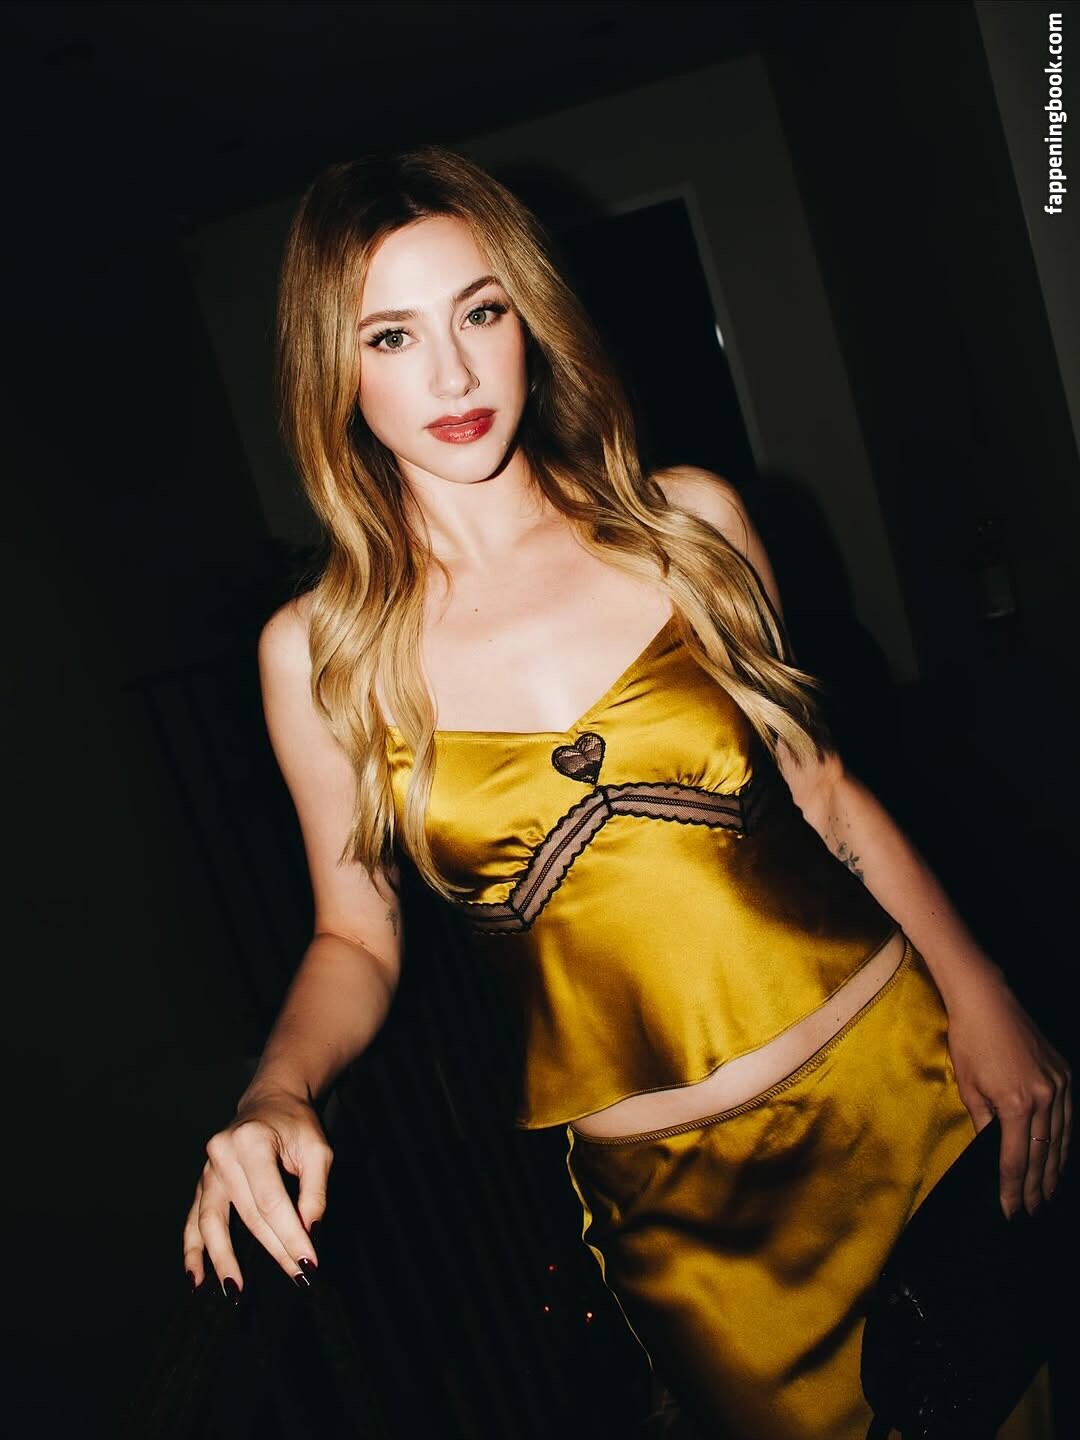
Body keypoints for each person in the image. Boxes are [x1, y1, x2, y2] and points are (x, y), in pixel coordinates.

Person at [182, 145, 1071, 1439]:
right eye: (393, 335)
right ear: (336, 368)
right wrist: (277, 1092)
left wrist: (983, 995)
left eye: (482, 311)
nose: (454, 375)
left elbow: (826, 793)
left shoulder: (688, 525)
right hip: (682, 1223)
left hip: (905, 1090)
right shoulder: (320, 653)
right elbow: (355, 936)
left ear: (529, 317)